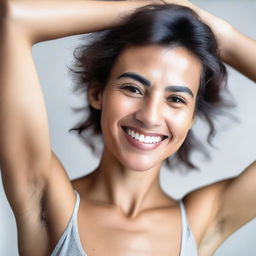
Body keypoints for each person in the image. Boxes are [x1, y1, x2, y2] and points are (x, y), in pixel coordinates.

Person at [0, 0, 255, 256]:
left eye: (176, 99)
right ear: (98, 93)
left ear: (192, 118)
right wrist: (154, 9)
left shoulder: (203, 220)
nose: (150, 116)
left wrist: (206, 26)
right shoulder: (46, 198)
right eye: (133, 88)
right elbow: (14, 18)